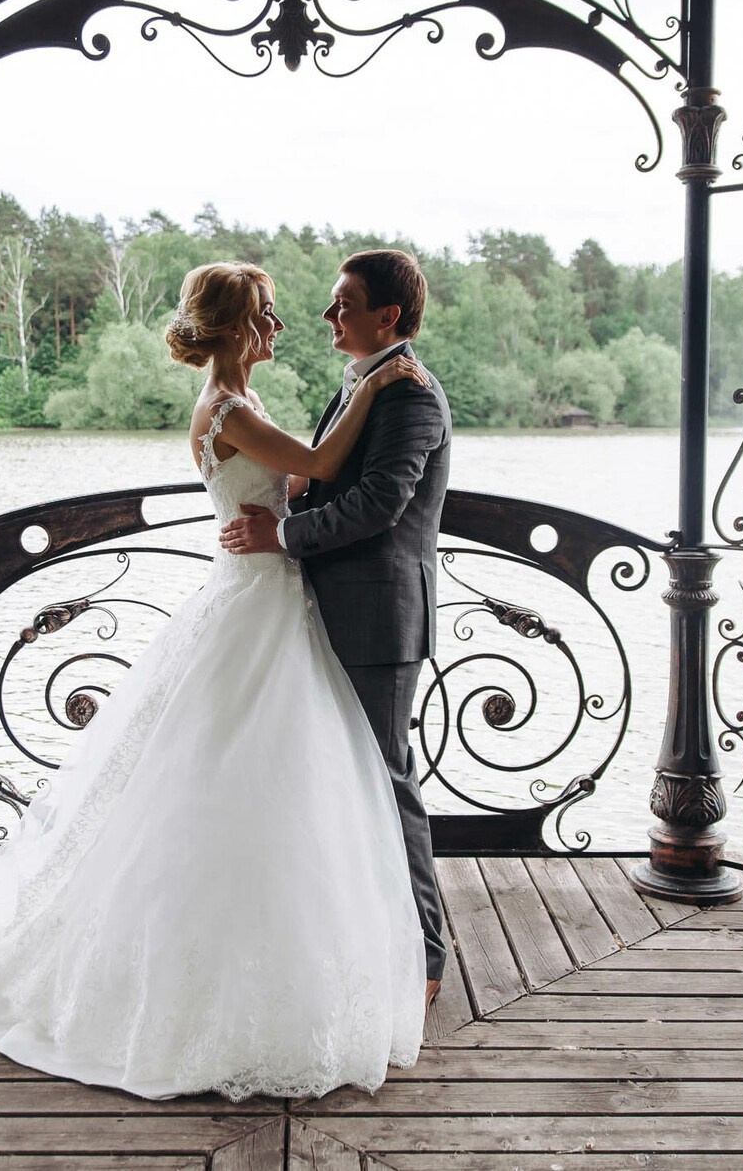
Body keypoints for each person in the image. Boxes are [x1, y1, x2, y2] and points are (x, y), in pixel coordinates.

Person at [0, 261, 431, 1101]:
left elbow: (309, 480)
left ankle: (277, 954)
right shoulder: (230, 410)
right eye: (265, 312)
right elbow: (326, 460)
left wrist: (316, 470)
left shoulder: (242, 407)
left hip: (268, 602)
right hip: (257, 605)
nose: (282, 326)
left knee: (267, 788)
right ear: (230, 327)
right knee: (234, 786)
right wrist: (378, 382)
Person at [219, 248, 451, 1006]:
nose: (328, 316)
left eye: (342, 303)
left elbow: (380, 503)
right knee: (344, 779)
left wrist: (280, 536)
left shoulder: (410, 396)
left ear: (388, 315)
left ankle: (424, 961)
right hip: (325, 607)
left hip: (379, 614)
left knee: (386, 778)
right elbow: (321, 475)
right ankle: (358, 940)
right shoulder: (361, 383)